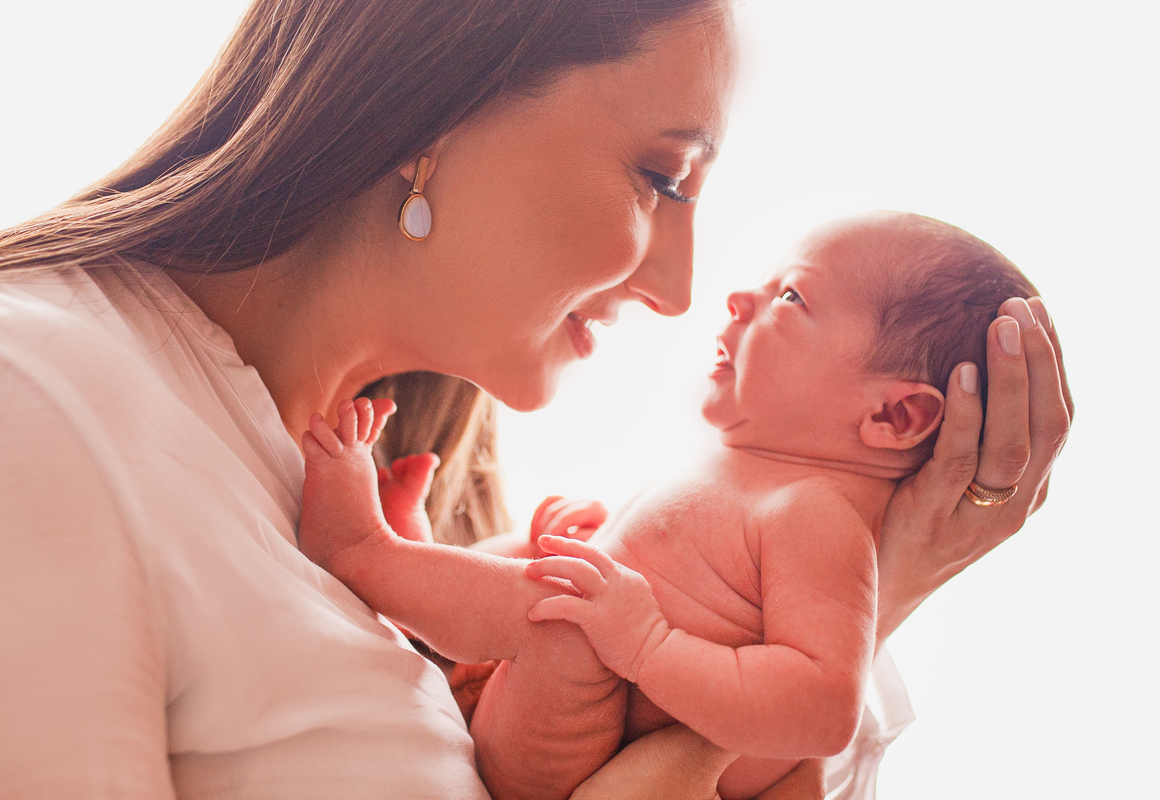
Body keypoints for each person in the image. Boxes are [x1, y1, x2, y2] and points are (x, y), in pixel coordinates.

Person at [0, 0, 1073, 796]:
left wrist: (879, 590)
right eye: (661, 178)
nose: (681, 290)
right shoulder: (27, 399)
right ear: (435, 108)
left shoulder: (407, 504)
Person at [294, 212, 1043, 800]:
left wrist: (646, 641)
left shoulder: (818, 517)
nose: (738, 297)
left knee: (567, 612)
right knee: (562, 567)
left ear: (896, 418)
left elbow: (820, 709)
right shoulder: (757, 477)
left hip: (573, 764)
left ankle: (363, 553)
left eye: (792, 296)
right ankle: (415, 566)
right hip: (554, 706)